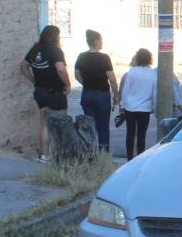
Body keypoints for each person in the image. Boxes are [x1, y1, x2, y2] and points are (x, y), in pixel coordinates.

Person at [20, 25, 71, 164]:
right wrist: (67, 84)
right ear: (55, 36)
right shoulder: (55, 50)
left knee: (44, 124)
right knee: (62, 122)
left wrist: (33, 80)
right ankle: (62, 155)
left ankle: (44, 156)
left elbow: (23, 66)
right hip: (55, 91)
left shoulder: (35, 49)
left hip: (40, 91)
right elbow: (60, 69)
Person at [74, 29, 118, 153]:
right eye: (101, 40)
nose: (102, 42)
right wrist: (116, 95)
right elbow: (112, 79)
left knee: (89, 126)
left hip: (87, 94)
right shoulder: (104, 58)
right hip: (102, 95)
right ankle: (104, 156)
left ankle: (90, 155)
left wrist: (87, 83)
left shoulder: (81, 56)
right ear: (96, 41)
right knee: (103, 126)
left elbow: (77, 75)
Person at [118, 48, 156, 161]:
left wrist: (122, 104)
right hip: (145, 109)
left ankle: (129, 157)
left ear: (138, 58)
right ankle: (140, 158)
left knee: (130, 134)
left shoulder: (132, 72)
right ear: (149, 59)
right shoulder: (153, 73)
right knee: (141, 135)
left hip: (130, 107)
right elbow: (154, 93)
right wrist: (154, 107)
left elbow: (126, 90)